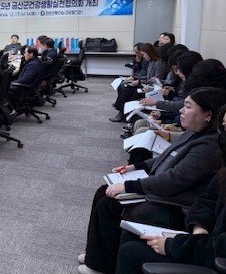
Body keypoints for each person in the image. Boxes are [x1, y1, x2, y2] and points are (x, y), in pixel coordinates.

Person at [78, 87, 226, 274]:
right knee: (103, 192)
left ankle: (99, 264)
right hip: (167, 195)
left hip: (174, 203)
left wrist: (130, 186)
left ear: (208, 115)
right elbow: (167, 157)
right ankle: (97, 257)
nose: (181, 110)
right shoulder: (193, 133)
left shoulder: (209, 146)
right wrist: (136, 167)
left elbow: (175, 179)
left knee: (111, 205)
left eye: (188, 107)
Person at [116, 105, 226, 274]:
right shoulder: (223, 171)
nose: (222, 134)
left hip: (213, 257)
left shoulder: (207, 147)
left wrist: (172, 245)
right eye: (223, 127)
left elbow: (219, 248)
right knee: (131, 233)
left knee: (130, 252)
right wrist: (199, 227)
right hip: (203, 241)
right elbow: (207, 200)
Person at [110, 43, 167, 122]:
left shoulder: (158, 63)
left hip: (152, 88)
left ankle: (121, 112)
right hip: (146, 84)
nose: (143, 56)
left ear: (149, 53)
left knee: (126, 88)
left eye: (144, 54)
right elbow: (148, 77)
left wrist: (139, 82)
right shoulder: (151, 62)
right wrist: (136, 79)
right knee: (125, 85)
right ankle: (122, 110)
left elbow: (156, 80)